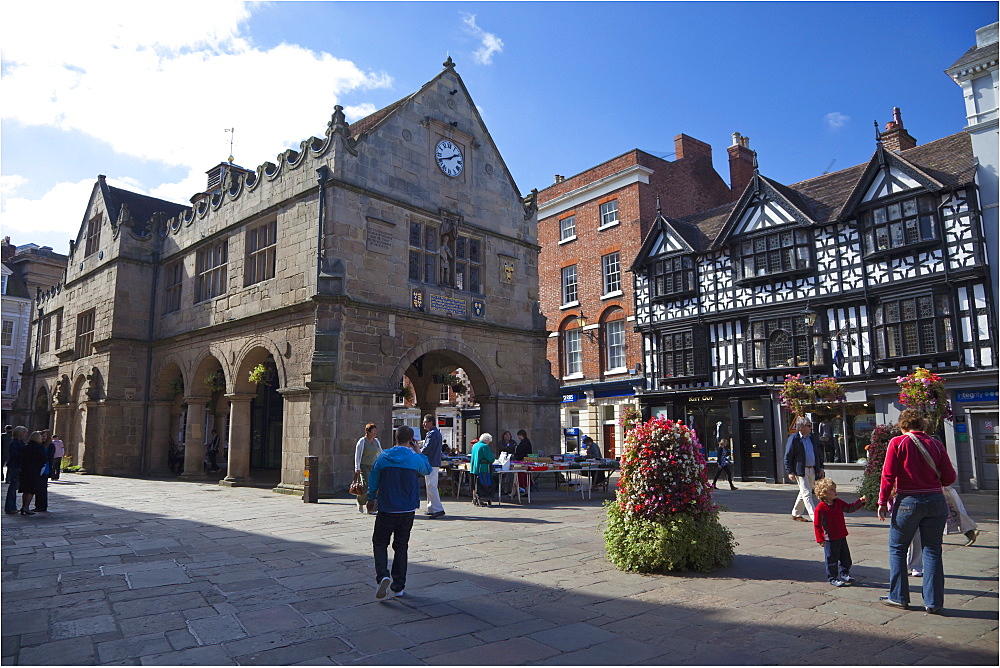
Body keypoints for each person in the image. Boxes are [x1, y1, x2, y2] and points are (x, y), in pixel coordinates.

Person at [877, 408, 955, 614]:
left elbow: (887, 475)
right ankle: (934, 602)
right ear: (922, 425)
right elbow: (949, 477)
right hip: (936, 501)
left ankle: (898, 597)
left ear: (902, 425)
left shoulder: (898, 442)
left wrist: (882, 501)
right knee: (932, 550)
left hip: (908, 501)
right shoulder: (936, 444)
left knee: (898, 548)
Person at [367, 425, 432, 600]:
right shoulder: (413, 458)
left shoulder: (384, 457)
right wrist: (418, 451)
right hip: (408, 508)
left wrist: (371, 497)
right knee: (401, 546)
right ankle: (399, 586)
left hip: (387, 507)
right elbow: (427, 469)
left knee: (380, 542)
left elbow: (374, 479)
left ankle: (383, 575)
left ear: (395, 438)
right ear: (411, 440)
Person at [813, 478, 866, 587]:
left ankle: (845, 573)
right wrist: (820, 539)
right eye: (832, 489)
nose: (835, 491)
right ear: (824, 493)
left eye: (835, 489)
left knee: (845, 557)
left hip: (841, 535)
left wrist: (860, 502)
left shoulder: (838, 502)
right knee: (831, 559)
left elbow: (849, 508)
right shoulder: (820, 508)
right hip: (830, 538)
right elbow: (817, 525)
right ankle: (832, 577)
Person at [784, 417, 825, 522]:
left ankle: (796, 513)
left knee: (804, 492)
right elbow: (788, 456)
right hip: (800, 470)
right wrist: (790, 472)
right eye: (808, 425)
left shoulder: (813, 438)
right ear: (801, 427)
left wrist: (821, 467)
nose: (810, 427)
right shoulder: (794, 439)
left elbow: (818, 453)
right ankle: (815, 517)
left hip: (812, 469)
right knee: (807, 493)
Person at [354, 423, 383, 514]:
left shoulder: (376, 441)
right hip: (364, 466)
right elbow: (357, 454)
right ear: (368, 432)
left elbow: (380, 452)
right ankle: (361, 502)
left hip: (374, 466)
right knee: (367, 485)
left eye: (376, 430)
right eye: (373, 430)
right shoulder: (362, 441)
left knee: (374, 486)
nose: (375, 432)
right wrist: (357, 467)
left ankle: (370, 506)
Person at [420, 414, 445, 518]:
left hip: (431, 462)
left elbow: (427, 449)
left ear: (431, 422)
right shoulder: (435, 433)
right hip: (433, 462)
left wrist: (417, 452)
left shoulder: (432, 434)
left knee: (431, 486)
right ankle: (431, 508)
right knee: (430, 485)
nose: (423, 424)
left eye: (425, 422)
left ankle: (438, 509)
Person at [17, 431, 48, 516]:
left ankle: (24, 506)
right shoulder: (38, 447)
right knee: (31, 490)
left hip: (25, 470)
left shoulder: (26, 447)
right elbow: (43, 458)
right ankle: (26, 508)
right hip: (34, 471)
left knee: (25, 490)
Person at [4, 426, 26, 515]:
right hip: (15, 466)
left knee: (14, 487)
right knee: (13, 487)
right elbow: (14, 454)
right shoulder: (15, 442)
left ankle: (12, 506)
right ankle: (10, 507)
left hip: (17, 465)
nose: (25, 435)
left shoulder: (19, 442)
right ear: (20, 433)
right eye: (24, 433)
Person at [470, 433, 496, 507]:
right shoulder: (484, 446)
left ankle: (475, 498)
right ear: (487, 440)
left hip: (474, 468)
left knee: (475, 484)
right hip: (483, 468)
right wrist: (493, 460)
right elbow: (490, 458)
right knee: (484, 484)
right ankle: (483, 498)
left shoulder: (475, 445)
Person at [33, 430, 55, 512]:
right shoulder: (40, 445)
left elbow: (50, 457)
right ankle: (37, 505)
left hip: (45, 469)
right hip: (39, 468)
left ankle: (42, 506)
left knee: (42, 488)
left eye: (44, 436)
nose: (42, 438)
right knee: (38, 488)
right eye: (42, 436)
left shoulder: (50, 445)